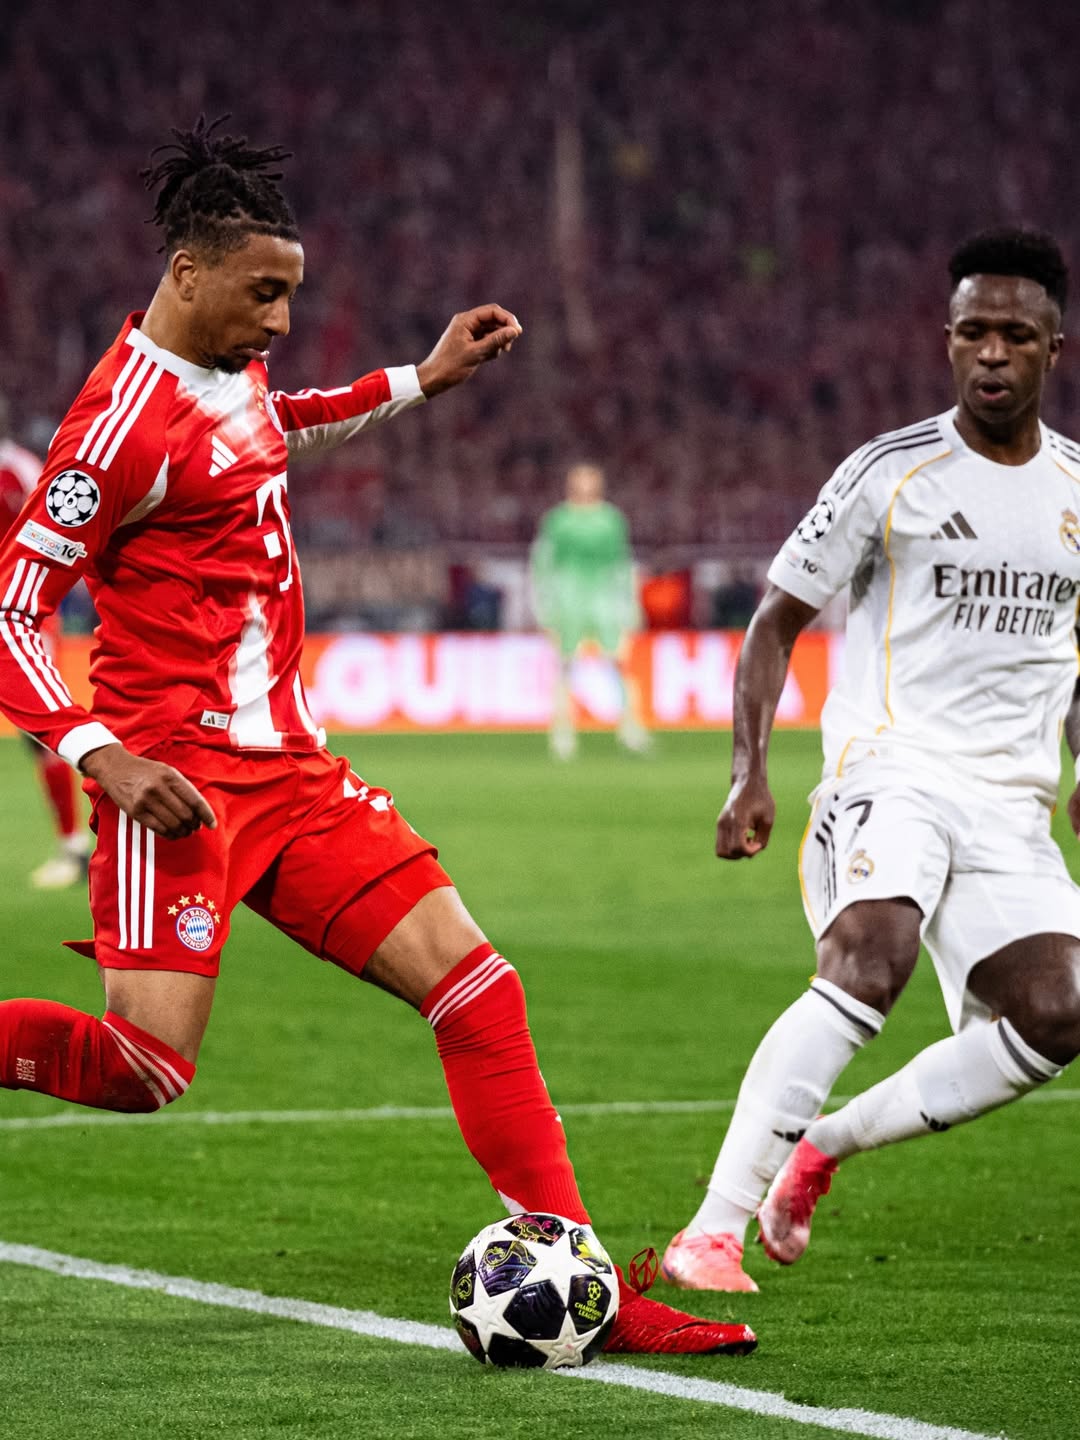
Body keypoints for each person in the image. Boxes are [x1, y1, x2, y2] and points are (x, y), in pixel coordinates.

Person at [0, 117, 755, 1357]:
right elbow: (15, 606)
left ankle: (589, 1295)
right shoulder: (112, 429)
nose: (283, 318)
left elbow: (274, 424)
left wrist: (418, 379)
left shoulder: (230, 370)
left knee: (479, 989)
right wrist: (101, 755)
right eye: (264, 293)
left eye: (291, 292)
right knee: (146, 1070)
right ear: (186, 272)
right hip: (172, 784)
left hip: (292, 773)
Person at [662, 227, 1080, 1292]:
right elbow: (773, 622)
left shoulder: (1078, 488)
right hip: (892, 770)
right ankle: (711, 1230)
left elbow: (1073, 653)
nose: (992, 352)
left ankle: (822, 1149)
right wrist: (748, 770)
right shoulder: (888, 473)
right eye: (973, 332)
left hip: (1013, 802)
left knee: (1060, 1012)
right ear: (948, 341)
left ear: (1054, 348)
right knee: (870, 957)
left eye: (1015, 334)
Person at [0, 393, 90, 888]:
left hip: (22, 617)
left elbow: (52, 534)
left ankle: (75, 847)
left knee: (40, 731)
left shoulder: (19, 471)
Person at [530, 462, 650, 758]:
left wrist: (631, 604)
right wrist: (543, 607)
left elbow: (622, 563)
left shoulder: (610, 520)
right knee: (565, 665)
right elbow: (543, 563)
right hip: (568, 598)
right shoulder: (558, 520)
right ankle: (562, 732)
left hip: (604, 599)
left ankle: (630, 727)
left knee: (620, 663)